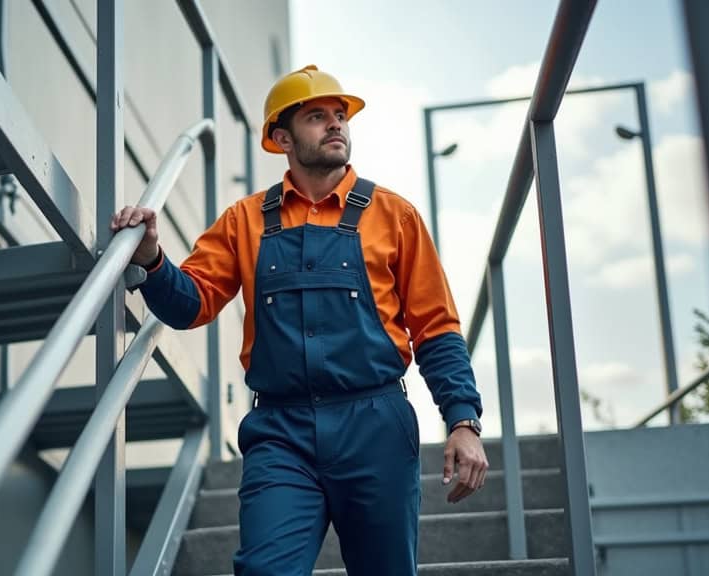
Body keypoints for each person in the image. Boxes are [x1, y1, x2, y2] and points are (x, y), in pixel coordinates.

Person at [112, 64, 487, 576]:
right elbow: (190, 303)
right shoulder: (244, 220)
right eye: (317, 117)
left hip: (375, 426)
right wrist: (153, 260)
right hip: (280, 433)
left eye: (340, 116)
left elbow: (436, 328)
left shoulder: (394, 215)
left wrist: (463, 420)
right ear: (282, 137)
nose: (335, 125)